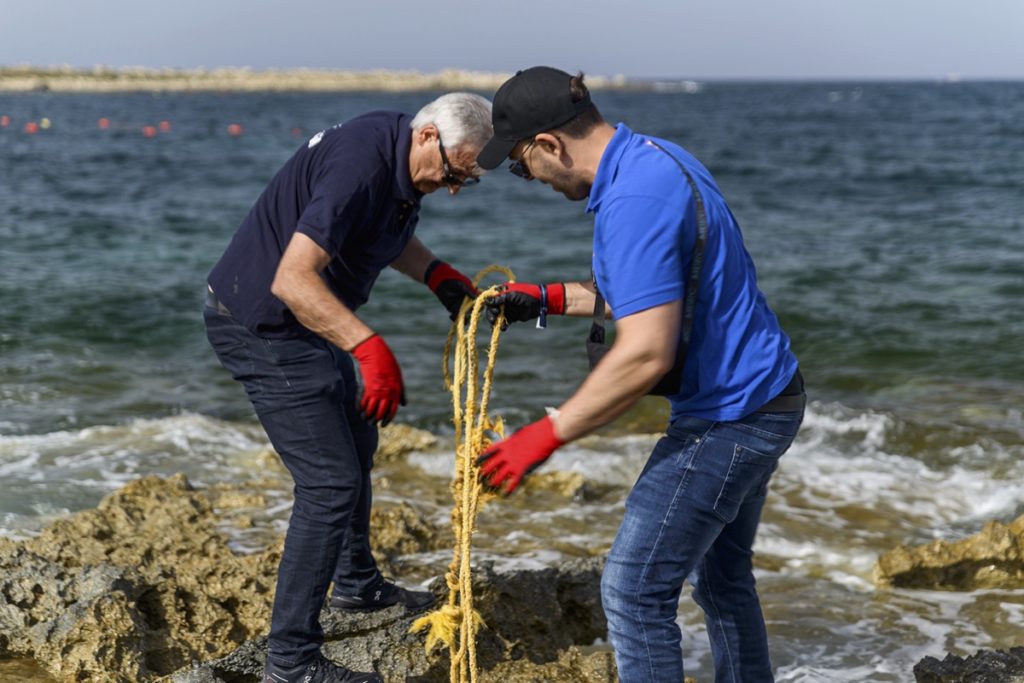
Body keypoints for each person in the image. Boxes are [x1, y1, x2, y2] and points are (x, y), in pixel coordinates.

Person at [474, 67, 805, 683]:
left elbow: (647, 351)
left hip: (730, 418)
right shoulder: (654, 158)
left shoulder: (634, 199)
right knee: (724, 580)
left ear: (550, 144)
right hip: (772, 396)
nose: (530, 180)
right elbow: (651, 294)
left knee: (633, 593)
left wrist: (545, 434)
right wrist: (547, 298)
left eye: (521, 165)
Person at [203, 93, 493, 683]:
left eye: (468, 179)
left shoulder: (401, 161)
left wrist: (436, 274)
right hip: (264, 323)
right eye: (454, 172)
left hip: (309, 323)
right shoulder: (360, 164)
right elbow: (292, 277)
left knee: (357, 446)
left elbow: (382, 235)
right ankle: (290, 663)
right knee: (329, 483)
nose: (455, 188)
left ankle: (357, 587)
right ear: (427, 136)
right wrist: (367, 346)